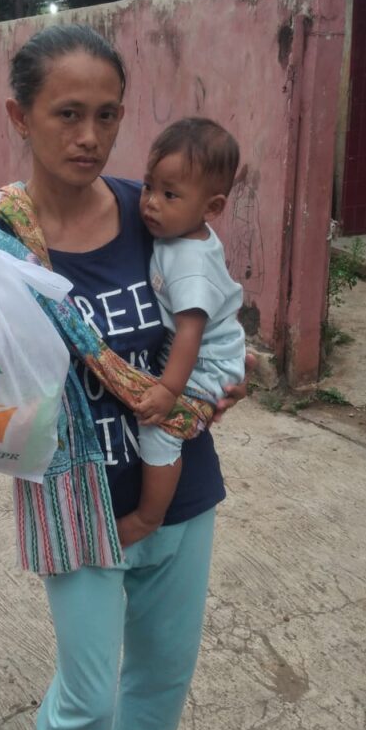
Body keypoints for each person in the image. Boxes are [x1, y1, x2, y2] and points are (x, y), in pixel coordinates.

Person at [0, 24, 249, 730]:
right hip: (77, 499)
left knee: (166, 662)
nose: (90, 136)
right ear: (19, 117)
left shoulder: (158, 212)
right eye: (67, 113)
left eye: (108, 115)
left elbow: (214, 314)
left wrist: (229, 374)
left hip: (180, 485)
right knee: (88, 692)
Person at [119, 118, 246, 543]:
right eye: (148, 186)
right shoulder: (178, 233)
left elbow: (190, 332)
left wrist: (169, 391)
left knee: (160, 429)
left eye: (169, 194)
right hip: (203, 353)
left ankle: (148, 517)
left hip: (208, 364)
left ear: (212, 208)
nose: (151, 203)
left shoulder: (191, 262)